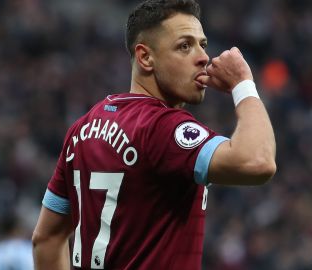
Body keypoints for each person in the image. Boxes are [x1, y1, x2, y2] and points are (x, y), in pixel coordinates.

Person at [32, 0, 276, 269]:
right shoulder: (161, 127)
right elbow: (257, 162)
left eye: (202, 45)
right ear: (145, 57)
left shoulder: (81, 129)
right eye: (184, 46)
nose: (203, 57)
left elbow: (46, 238)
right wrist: (243, 85)